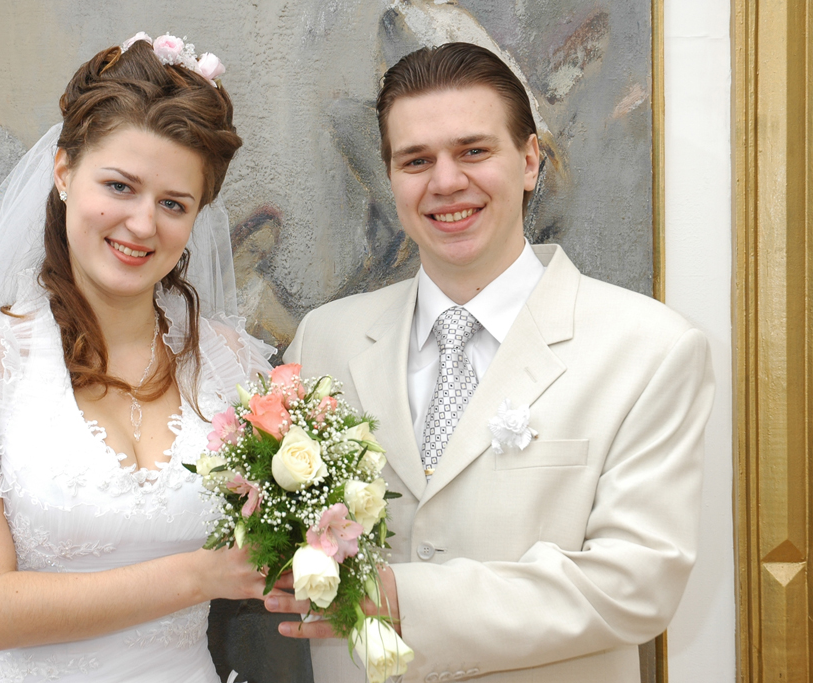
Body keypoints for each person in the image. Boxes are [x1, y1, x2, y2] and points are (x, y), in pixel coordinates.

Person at [266, 42, 715, 683]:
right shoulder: (324, 341)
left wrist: (401, 599)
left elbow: (634, 586)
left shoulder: (651, 349)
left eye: (473, 151)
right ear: (391, 178)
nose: (446, 182)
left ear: (529, 161)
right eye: (416, 160)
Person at [0, 33, 281, 682]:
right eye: (119, 186)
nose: (142, 224)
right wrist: (205, 574)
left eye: (173, 203)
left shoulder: (231, 366)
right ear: (63, 173)